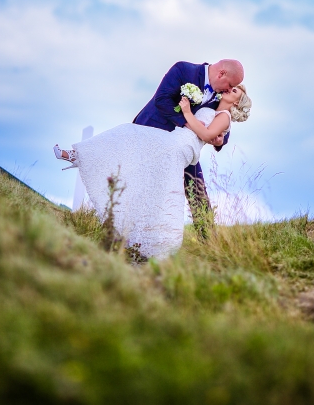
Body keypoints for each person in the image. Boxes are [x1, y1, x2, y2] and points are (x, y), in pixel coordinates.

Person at [53, 83, 252, 259]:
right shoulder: (214, 105)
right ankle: (79, 156)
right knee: (131, 145)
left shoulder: (224, 117)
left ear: (236, 103)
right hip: (174, 141)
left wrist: (187, 113)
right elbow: (211, 133)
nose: (229, 88)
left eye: (234, 90)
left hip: (177, 147)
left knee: (130, 142)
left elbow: (207, 133)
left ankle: (146, 241)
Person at [133, 60, 244, 228]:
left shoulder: (221, 94)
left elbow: (222, 119)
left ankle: (208, 242)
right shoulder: (184, 70)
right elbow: (162, 100)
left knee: (197, 190)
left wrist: (221, 139)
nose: (229, 90)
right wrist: (189, 124)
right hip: (153, 131)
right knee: (144, 185)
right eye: (230, 85)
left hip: (186, 147)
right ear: (221, 74)